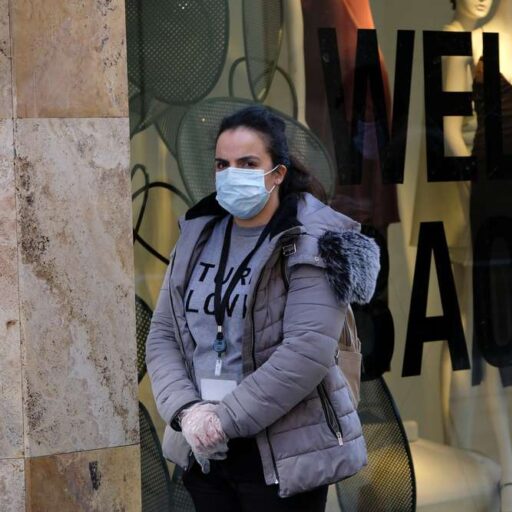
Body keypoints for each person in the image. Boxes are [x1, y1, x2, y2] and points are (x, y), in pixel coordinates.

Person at [146, 105, 378, 511]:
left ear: (278, 173)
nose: (232, 174)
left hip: (283, 459)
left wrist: (222, 421)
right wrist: (188, 413)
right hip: (205, 454)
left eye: (248, 163)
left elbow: (306, 352)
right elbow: (163, 335)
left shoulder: (313, 241)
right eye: (223, 164)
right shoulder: (196, 236)